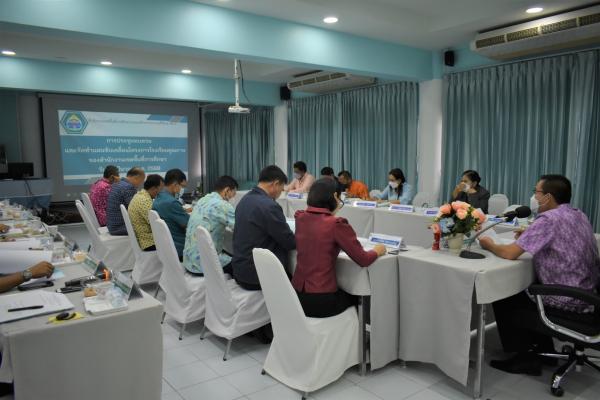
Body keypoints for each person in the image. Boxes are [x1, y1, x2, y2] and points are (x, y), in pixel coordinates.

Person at [478, 175, 600, 376]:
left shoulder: (548, 219)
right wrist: (530, 235)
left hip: (569, 300)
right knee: (524, 287)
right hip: (588, 294)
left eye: (536, 192)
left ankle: (525, 358)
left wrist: (489, 244)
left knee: (504, 292)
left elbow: (509, 254)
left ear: (547, 197)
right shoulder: (578, 214)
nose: (534, 197)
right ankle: (544, 351)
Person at [293, 179, 386, 317]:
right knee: (359, 297)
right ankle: (359, 331)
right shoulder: (336, 224)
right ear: (336, 196)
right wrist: (377, 250)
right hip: (321, 300)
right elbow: (363, 259)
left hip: (297, 296)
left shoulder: (300, 217)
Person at [232, 165, 296, 290]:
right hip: (258, 275)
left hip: (240, 271)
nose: (280, 193)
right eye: (281, 189)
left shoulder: (244, 200)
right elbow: (289, 242)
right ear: (275, 184)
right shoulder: (269, 206)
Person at [183, 175, 237, 276]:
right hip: (203, 266)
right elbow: (240, 228)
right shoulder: (223, 205)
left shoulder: (202, 200)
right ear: (227, 190)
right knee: (241, 264)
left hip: (189, 260)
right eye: (233, 194)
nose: (232, 198)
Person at [152, 169, 189, 260]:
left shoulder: (159, 197)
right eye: (182, 186)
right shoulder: (171, 202)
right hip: (180, 247)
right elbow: (188, 224)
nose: (181, 189)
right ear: (175, 184)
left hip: (167, 246)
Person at [128, 174, 164, 251]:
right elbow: (157, 226)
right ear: (154, 188)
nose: (161, 192)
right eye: (161, 189)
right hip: (149, 242)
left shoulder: (139, 195)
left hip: (144, 239)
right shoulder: (145, 201)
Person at [106, 167, 145, 235]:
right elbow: (136, 210)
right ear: (136, 178)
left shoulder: (117, 184)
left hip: (112, 226)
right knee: (150, 227)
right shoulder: (129, 188)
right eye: (141, 181)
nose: (141, 184)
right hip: (120, 227)